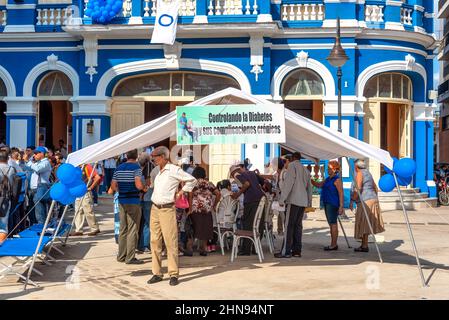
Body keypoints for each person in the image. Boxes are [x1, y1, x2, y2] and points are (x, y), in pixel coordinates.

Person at [147, 146, 197, 286]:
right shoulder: (158, 171)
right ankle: (156, 273)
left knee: (170, 242)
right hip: (155, 208)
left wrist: (182, 192)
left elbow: (192, 180)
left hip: (167, 209)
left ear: (163, 156)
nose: (153, 159)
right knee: (155, 241)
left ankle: (173, 273)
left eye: (155, 156)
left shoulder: (174, 170)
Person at [111, 149, 148, 264]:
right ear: (136, 157)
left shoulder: (118, 168)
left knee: (123, 228)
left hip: (122, 201)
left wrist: (121, 191)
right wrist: (144, 188)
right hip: (133, 200)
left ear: (126, 156)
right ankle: (130, 257)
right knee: (133, 229)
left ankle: (121, 256)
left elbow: (113, 186)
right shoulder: (136, 168)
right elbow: (138, 185)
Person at [275, 152, 312, 258]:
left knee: (289, 226)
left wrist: (282, 199)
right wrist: (309, 202)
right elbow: (309, 187)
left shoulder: (292, 166)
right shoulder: (305, 169)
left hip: (293, 200)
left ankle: (285, 252)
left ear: (291, 158)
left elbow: (288, 183)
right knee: (298, 226)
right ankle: (297, 251)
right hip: (303, 201)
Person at [229, 163, 265, 256]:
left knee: (248, 224)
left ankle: (246, 250)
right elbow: (265, 182)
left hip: (251, 201)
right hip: (261, 199)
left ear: (233, 172)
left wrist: (238, 194)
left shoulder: (237, 175)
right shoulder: (252, 173)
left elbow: (246, 184)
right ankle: (255, 248)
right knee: (258, 224)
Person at [350, 159, 385, 252]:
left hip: (365, 201)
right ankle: (364, 245)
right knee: (366, 223)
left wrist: (352, 200)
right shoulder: (368, 173)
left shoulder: (360, 173)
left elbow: (358, 188)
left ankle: (364, 245)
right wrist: (374, 198)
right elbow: (375, 188)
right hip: (372, 199)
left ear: (357, 166)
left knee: (363, 222)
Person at [186, 167, 220, 256]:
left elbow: (190, 195)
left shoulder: (193, 183)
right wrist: (214, 205)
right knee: (205, 228)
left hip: (196, 209)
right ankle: (203, 249)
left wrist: (189, 209)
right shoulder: (210, 184)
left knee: (193, 228)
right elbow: (218, 194)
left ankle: (190, 248)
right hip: (207, 209)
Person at [311, 160, 344, 251]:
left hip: (332, 203)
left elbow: (341, 193)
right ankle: (333, 243)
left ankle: (333, 245)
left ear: (334, 169)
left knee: (333, 224)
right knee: (331, 224)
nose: (327, 170)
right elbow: (319, 185)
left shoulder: (337, 180)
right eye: (327, 168)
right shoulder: (328, 179)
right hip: (327, 203)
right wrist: (309, 179)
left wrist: (341, 206)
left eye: (329, 169)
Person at [70, 163, 102, 236]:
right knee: (78, 211)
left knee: (88, 210)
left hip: (85, 192)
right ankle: (78, 230)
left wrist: (90, 187)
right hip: (77, 192)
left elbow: (97, 177)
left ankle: (94, 228)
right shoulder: (76, 168)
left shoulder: (87, 166)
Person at [24, 146, 52, 225]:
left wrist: (28, 162)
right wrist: (28, 162)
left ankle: (41, 225)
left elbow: (37, 169)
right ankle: (34, 225)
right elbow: (29, 168)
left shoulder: (45, 162)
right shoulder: (37, 162)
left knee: (39, 208)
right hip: (34, 188)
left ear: (42, 154)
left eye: (36, 153)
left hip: (41, 187)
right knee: (32, 209)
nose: (34, 155)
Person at [137, 152, 158, 254]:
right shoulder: (150, 168)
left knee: (143, 222)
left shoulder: (138, 168)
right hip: (147, 199)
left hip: (141, 199)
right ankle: (145, 245)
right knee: (148, 222)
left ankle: (141, 245)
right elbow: (148, 183)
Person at [0, 151, 15, 242]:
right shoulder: (11, 169)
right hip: (6, 198)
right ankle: (1, 245)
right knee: (3, 225)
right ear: (7, 159)